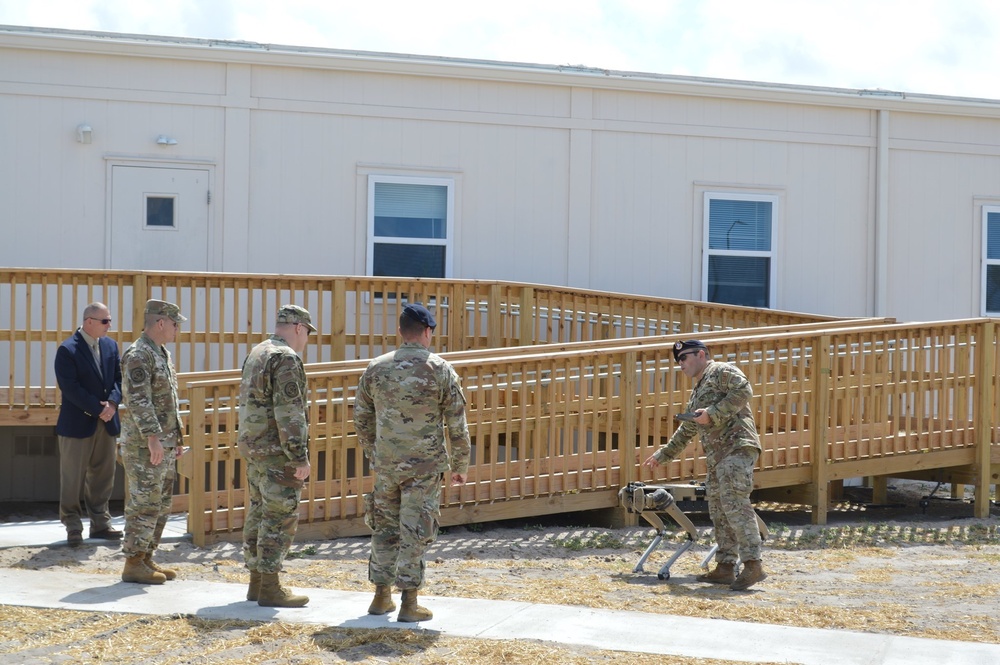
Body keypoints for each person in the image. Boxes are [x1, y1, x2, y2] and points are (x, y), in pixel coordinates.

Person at [354, 303, 471, 622]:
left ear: (400, 333)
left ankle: (381, 597)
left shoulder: (376, 367)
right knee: (415, 529)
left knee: (385, 528)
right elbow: (456, 422)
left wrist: (375, 453)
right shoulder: (440, 368)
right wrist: (460, 464)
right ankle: (409, 602)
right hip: (424, 467)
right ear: (428, 332)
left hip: (387, 465)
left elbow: (361, 417)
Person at [642, 340, 767, 591]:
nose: (681, 365)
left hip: (737, 448)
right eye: (678, 361)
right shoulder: (698, 389)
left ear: (701, 354)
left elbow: (744, 391)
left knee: (734, 504)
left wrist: (713, 412)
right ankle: (725, 567)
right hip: (718, 456)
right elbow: (688, 428)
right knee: (720, 510)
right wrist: (663, 455)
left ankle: (753, 564)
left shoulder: (721, 370)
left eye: (684, 358)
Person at [237, 304, 316, 608]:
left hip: (254, 447)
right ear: (299, 328)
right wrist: (298, 456)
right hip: (275, 451)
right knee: (279, 516)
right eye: (307, 333)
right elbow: (290, 412)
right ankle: (270, 585)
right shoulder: (285, 358)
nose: (306, 340)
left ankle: (257, 582)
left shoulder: (257, 352)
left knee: (258, 511)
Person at [119, 299, 186, 584]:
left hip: (164, 442)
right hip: (145, 444)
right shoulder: (139, 354)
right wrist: (153, 438)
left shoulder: (161, 353)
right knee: (144, 503)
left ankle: (146, 557)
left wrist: (176, 438)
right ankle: (133, 562)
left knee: (160, 504)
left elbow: (168, 401)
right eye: (174, 324)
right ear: (160, 323)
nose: (176, 329)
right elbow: (138, 400)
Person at [54, 302, 123, 547]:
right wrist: (99, 408)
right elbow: (71, 388)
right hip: (77, 424)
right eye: (105, 321)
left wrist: (112, 404)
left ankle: (101, 524)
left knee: (104, 476)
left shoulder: (110, 345)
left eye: (110, 320)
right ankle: (73, 526)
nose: (109, 325)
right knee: (72, 478)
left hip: (107, 421)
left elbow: (118, 379)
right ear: (89, 321)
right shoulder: (67, 349)